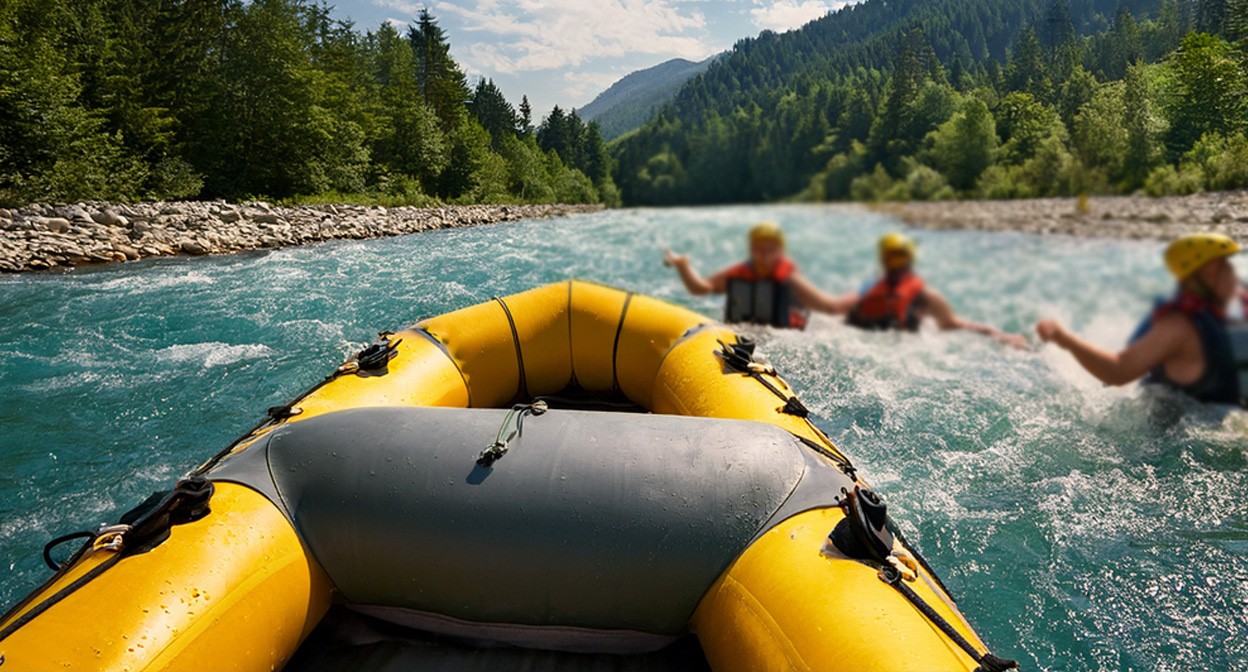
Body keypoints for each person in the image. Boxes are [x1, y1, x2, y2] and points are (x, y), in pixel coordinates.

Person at [1036, 233, 1247, 405]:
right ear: (1208, 275)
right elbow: (1118, 371)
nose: (1234, 277)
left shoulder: (1220, 315)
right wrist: (1066, 339)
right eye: (1227, 269)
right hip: (1171, 439)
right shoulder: (1179, 327)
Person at [847, 233, 1029, 349]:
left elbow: (835, 309)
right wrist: (1001, 336)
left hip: (871, 346)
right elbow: (956, 324)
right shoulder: (925, 295)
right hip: (908, 350)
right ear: (910, 259)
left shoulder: (868, 290)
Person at [664, 221, 857, 329]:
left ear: (779, 251)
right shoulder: (739, 272)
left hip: (783, 339)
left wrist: (860, 298)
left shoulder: (789, 279)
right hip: (745, 335)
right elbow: (701, 288)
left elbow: (829, 306)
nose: (764, 253)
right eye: (759, 248)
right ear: (751, 249)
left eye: (770, 249)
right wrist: (683, 266)